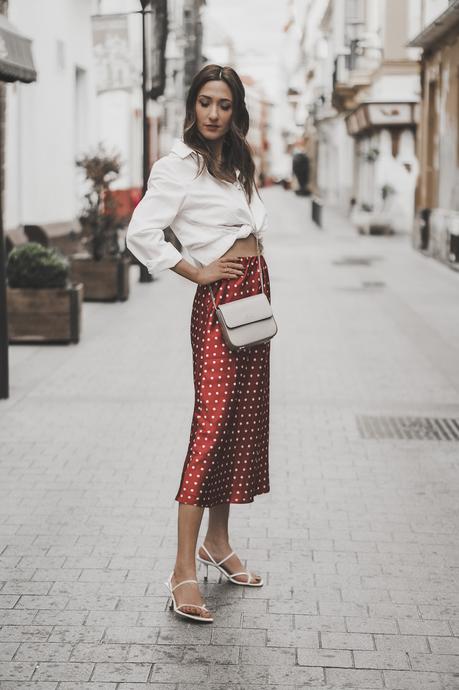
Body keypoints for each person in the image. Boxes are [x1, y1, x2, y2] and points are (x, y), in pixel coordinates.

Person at [126, 64, 272, 623]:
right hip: (219, 302)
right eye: (206, 103)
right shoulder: (178, 166)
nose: (214, 113)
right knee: (210, 428)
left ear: (236, 111)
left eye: (225, 104)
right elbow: (140, 232)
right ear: (193, 107)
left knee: (240, 422)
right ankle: (183, 569)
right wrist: (195, 272)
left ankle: (220, 541)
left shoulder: (236, 163)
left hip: (254, 298)